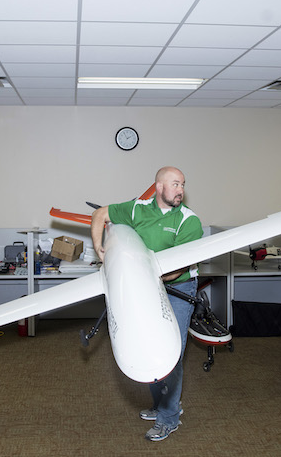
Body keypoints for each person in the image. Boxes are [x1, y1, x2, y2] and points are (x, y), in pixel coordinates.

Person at [90, 166, 203, 442]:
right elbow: (100, 214)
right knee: (146, 344)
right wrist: (99, 248)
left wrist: (138, 276)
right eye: (175, 184)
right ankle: (161, 405)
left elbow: (175, 269)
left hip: (178, 287)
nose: (181, 190)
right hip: (147, 283)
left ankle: (168, 418)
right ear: (159, 187)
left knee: (169, 353)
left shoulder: (189, 221)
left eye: (183, 185)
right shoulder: (137, 209)